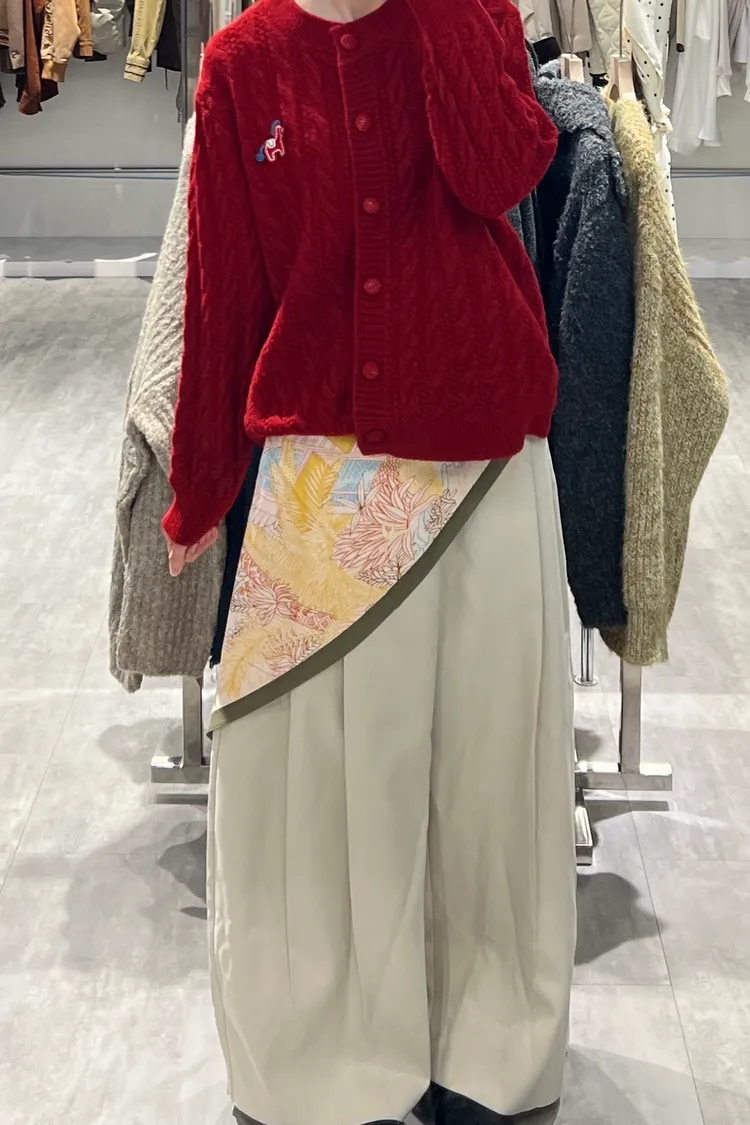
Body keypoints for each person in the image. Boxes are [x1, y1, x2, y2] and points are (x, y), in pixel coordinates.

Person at [162, 0, 577, 1122]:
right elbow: (224, 290)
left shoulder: (477, 14)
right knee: (311, 791)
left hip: (484, 464)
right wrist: (201, 482)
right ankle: (327, 1067)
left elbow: (502, 172)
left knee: (489, 780)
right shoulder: (242, 61)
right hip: (317, 485)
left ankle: (491, 1052)